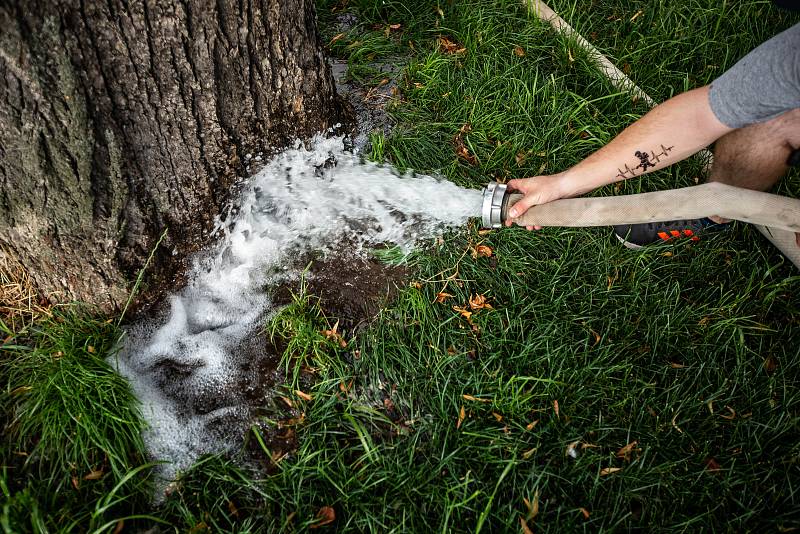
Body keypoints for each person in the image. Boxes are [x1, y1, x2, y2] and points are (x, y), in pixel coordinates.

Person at [506, 21, 800, 249]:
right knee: (773, 119)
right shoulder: (793, 60)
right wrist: (564, 184)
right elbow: (699, 118)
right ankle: (714, 211)